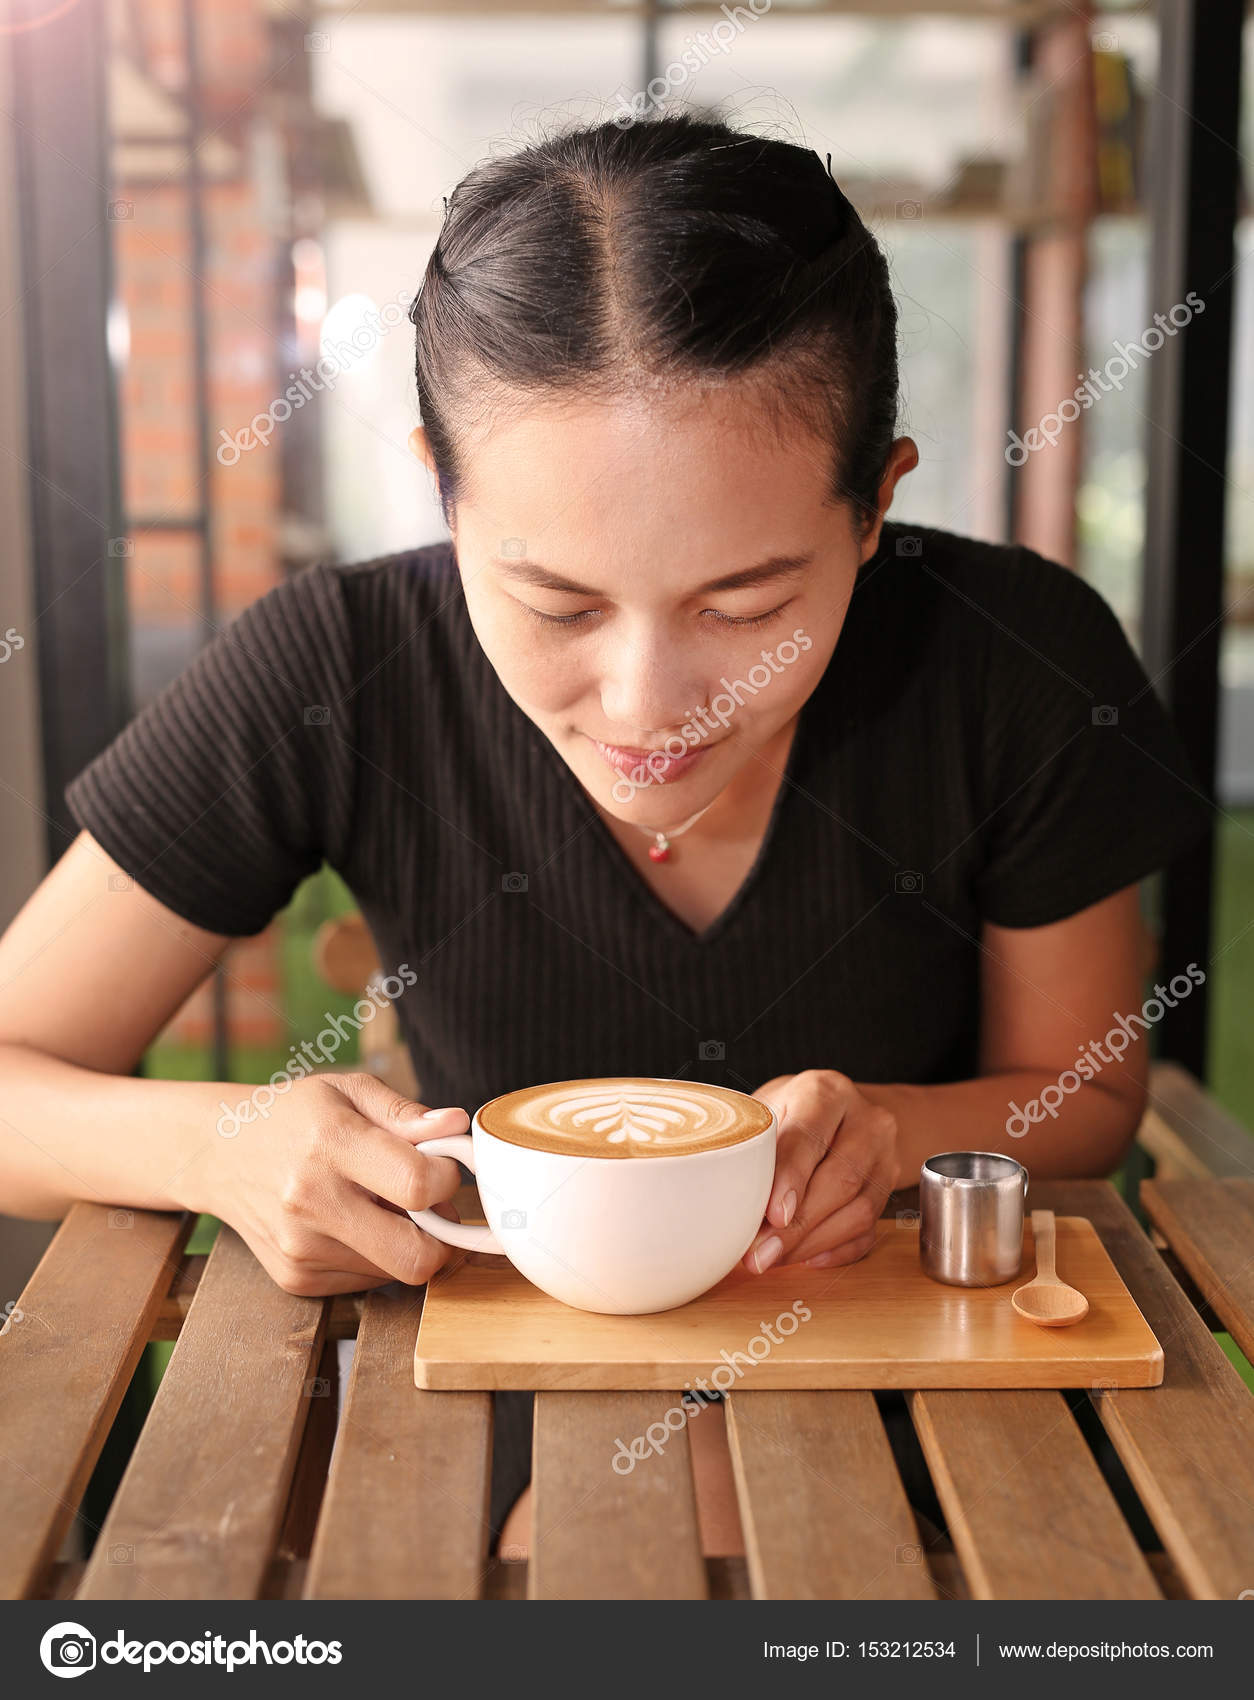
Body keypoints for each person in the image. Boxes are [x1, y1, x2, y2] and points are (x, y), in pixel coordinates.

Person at [0, 113, 1210, 1563]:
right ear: (442, 493)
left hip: (929, 1351)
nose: (647, 707)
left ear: (876, 501)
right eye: (558, 605)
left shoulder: (1013, 664)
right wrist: (229, 1150)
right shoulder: (333, 668)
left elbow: (1080, 1102)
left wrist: (894, 1131)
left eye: (748, 605)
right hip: (493, 1360)